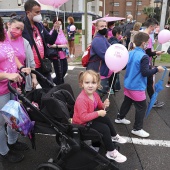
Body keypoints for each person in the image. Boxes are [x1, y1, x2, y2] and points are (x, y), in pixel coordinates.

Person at [115, 32, 164, 138]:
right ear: (143, 43)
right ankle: (137, 128)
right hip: (137, 86)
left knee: (127, 101)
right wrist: (156, 69)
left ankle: (120, 117)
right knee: (142, 107)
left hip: (128, 84)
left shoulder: (130, 52)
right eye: (147, 43)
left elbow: (123, 66)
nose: (148, 44)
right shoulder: (144, 56)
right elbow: (145, 73)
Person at [73, 70, 127, 163]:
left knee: (105, 118)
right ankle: (111, 152)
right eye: (87, 82)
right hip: (81, 124)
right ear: (82, 84)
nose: (90, 85)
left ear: (97, 84)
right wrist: (98, 113)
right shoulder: (81, 99)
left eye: (93, 82)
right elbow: (83, 117)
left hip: (89, 119)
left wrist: (104, 105)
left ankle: (114, 136)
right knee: (104, 128)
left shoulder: (95, 94)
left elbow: (99, 105)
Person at [0, 16, 31, 163]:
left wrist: (20, 68)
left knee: (13, 118)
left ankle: (12, 142)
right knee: (1, 123)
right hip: (1, 90)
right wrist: (8, 75)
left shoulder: (4, 37)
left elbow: (12, 56)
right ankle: (4, 152)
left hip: (11, 87)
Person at [22, 0, 60, 88]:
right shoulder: (23, 26)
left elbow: (50, 40)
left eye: (40, 12)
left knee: (50, 89)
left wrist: (55, 30)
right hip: (29, 66)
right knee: (31, 92)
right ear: (28, 12)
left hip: (42, 64)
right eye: (37, 12)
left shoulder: (39, 25)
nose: (39, 14)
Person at [7, 16, 38, 92]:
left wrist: (34, 78)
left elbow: (31, 62)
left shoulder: (24, 42)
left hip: (21, 81)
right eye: (17, 28)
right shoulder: (2, 42)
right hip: (5, 83)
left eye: (21, 29)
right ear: (9, 24)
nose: (19, 31)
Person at [87, 19, 111, 97]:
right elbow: (105, 56)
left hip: (99, 71)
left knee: (97, 95)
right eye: (101, 26)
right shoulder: (98, 40)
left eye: (105, 26)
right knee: (97, 95)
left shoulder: (102, 38)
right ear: (96, 27)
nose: (104, 28)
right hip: (98, 71)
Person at [144, 18, 165, 107]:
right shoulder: (147, 36)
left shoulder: (142, 34)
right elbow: (148, 52)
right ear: (151, 26)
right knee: (149, 83)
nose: (155, 30)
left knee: (143, 82)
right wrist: (156, 52)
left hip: (142, 61)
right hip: (145, 62)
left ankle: (133, 99)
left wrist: (154, 51)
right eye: (155, 28)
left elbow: (147, 50)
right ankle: (153, 102)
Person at [49, 18, 68, 85]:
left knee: (64, 71)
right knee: (59, 73)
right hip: (57, 55)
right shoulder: (52, 32)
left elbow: (65, 41)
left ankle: (54, 81)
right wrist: (60, 46)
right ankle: (60, 86)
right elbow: (49, 45)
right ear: (54, 24)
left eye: (60, 24)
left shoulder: (61, 32)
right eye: (57, 24)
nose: (59, 25)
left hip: (63, 54)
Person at [108, 26, 122, 94]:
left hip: (109, 62)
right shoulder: (116, 43)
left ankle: (111, 88)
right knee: (113, 77)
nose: (120, 36)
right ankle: (111, 89)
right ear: (117, 34)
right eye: (119, 34)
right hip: (114, 64)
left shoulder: (109, 40)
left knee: (110, 77)